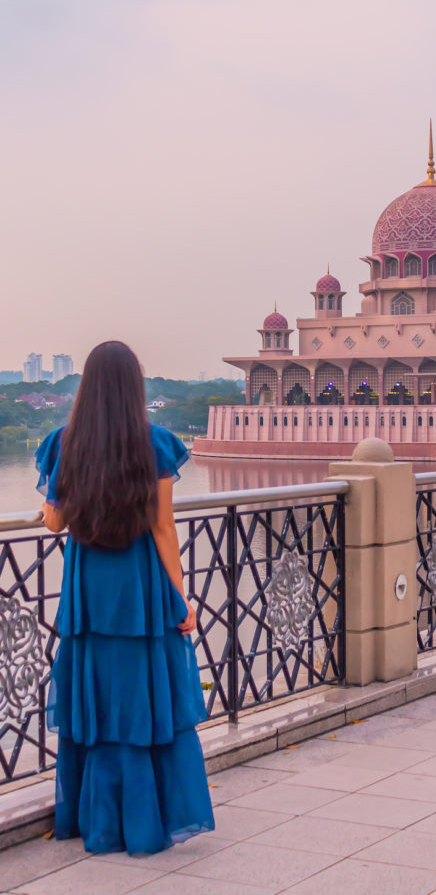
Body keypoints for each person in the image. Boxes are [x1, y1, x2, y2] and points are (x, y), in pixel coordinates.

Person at [36, 341, 215, 855]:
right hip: (139, 585)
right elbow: (163, 529)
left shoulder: (64, 443)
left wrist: (49, 502)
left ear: (86, 386)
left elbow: (55, 521)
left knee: (94, 691)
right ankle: (144, 816)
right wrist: (182, 599)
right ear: (135, 385)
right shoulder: (156, 444)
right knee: (141, 694)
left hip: (90, 586)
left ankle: (95, 816)